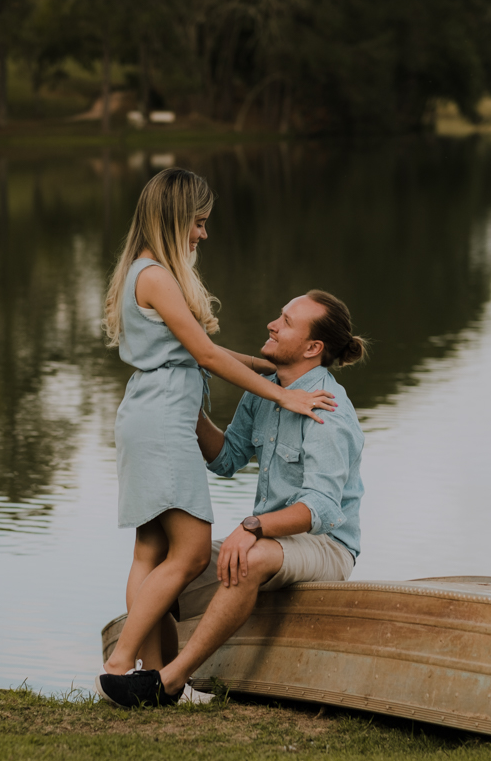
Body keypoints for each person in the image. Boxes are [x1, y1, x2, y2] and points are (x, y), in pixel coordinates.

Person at [97, 169, 337, 706]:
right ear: (177, 218)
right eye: (199, 223)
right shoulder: (156, 275)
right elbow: (206, 356)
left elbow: (204, 352)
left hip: (145, 416)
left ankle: (151, 674)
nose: (203, 234)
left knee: (151, 553)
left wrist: (275, 372)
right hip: (161, 425)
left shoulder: (144, 272)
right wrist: (285, 396)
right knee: (189, 555)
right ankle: (119, 663)